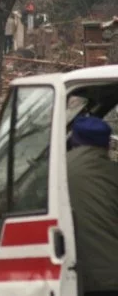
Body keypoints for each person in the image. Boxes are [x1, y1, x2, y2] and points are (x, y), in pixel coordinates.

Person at [66, 116, 118, 296]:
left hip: (77, 277)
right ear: (106, 146)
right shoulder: (112, 173)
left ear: (74, 140)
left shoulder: (58, 169)